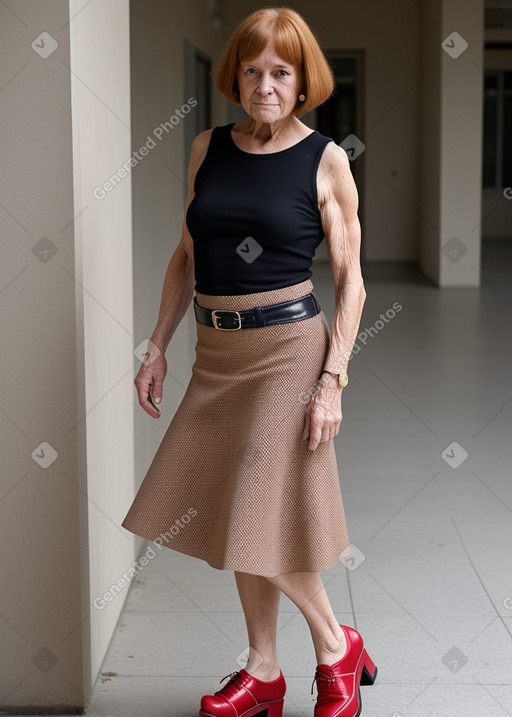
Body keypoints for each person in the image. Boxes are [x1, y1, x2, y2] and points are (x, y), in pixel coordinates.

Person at [121, 6, 377, 716]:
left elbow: (352, 279)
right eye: (254, 70)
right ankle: (264, 667)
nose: (266, 84)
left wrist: (333, 379)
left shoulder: (326, 159)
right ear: (236, 74)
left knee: (249, 511)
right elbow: (186, 254)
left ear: (303, 82)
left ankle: (333, 644)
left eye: (281, 72)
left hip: (289, 352)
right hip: (216, 353)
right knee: (244, 517)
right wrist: (157, 345)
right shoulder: (209, 146)